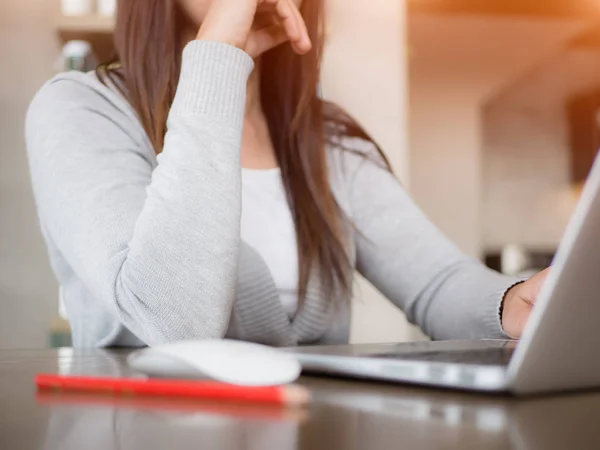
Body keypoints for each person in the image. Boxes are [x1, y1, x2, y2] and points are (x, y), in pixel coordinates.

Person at [25, 0, 547, 348]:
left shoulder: (324, 140)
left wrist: (511, 304)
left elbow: (437, 283)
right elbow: (174, 322)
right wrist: (216, 54)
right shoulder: (78, 110)